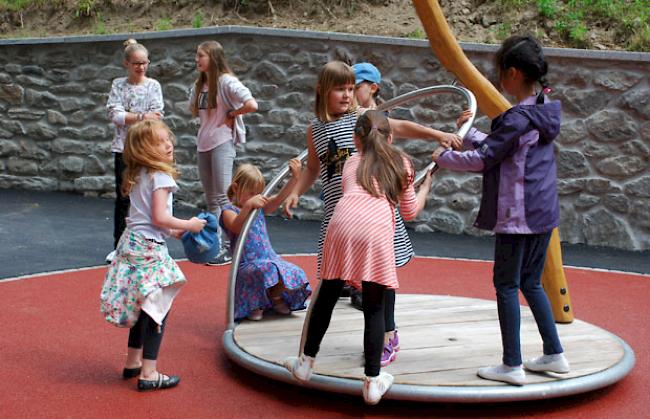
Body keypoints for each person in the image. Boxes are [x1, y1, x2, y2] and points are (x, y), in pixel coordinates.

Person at [431, 34, 570, 386]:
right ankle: (555, 353)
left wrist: (443, 157)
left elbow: (484, 159)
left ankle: (512, 365)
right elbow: (504, 145)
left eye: (500, 73)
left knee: (506, 284)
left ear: (511, 73)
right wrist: (471, 134)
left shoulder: (518, 118)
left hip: (517, 216)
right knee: (530, 282)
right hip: (542, 214)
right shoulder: (544, 109)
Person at [285, 110, 433, 405]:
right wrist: (426, 186)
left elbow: (355, 195)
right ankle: (373, 381)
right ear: (390, 137)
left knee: (327, 293)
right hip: (375, 232)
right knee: (374, 306)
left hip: (340, 225)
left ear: (356, 140)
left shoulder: (352, 162)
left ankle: (305, 364)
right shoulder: (403, 163)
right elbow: (409, 211)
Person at [100, 120, 207, 391]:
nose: (168, 144)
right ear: (145, 149)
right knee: (158, 307)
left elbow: (143, 217)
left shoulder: (141, 174)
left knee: (144, 304)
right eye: (160, 142)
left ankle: (133, 362)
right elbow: (160, 217)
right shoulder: (160, 176)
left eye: (167, 138)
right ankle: (150, 372)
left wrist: (174, 233)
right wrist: (189, 225)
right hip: (148, 250)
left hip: (132, 244)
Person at [190, 40, 258, 266]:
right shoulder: (201, 84)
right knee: (211, 199)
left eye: (201, 55)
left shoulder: (226, 81)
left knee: (223, 196)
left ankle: (231, 247)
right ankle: (216, 245)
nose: (197, 60)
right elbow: (193, 110)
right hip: (203, 142)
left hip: (221, 141)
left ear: (213, 58)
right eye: (197, 55)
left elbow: (252, 104)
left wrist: (233, 113)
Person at [220, 160, 312, 321]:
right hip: (247, 264)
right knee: (267, 269)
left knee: (293, 272)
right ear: (236, 188)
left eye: (258, 193)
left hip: (268, 259)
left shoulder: (259, 208)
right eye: (251, 193)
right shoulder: (229, 211)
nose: (256, 198)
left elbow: (280, 198)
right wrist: (248, 206)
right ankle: (256, 304)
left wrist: (295, 178)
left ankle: (274, 298)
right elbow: (236, 227)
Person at [105, 38, 164, 264]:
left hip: (147, 149)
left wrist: (130, 116)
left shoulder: (153, 86)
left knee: (148, 196)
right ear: (126, 64)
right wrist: (140, 116)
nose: (141, 67)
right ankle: (118, 246)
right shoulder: (118, 85)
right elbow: (115, 115)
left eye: (144, 63)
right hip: (123, 148)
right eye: (136, 63)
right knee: (124, 197)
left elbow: (157, 114)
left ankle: (149, 244)